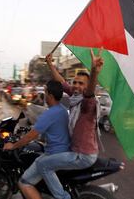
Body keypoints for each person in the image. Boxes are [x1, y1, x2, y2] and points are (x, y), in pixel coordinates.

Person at [35, 49, 103, 199]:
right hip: (76, 150)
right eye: (75, 82)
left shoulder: (87, 104)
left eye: (81, 84)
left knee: (43, 165)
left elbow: (90, 94)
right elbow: (62, 83)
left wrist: (94, 73)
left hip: (82, 155)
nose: (77, 86)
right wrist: (50, 64)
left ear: (86, 87)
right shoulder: (75, 96)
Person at [3, 80, 70, 199]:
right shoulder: (63, 110)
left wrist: (13, 146)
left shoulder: (49, 114)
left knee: (24, 182)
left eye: (45, 92)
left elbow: (30, 136)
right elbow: (54, 130)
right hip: (64, 152)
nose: (43, 95)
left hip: (53, 154)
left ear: (50, 95)